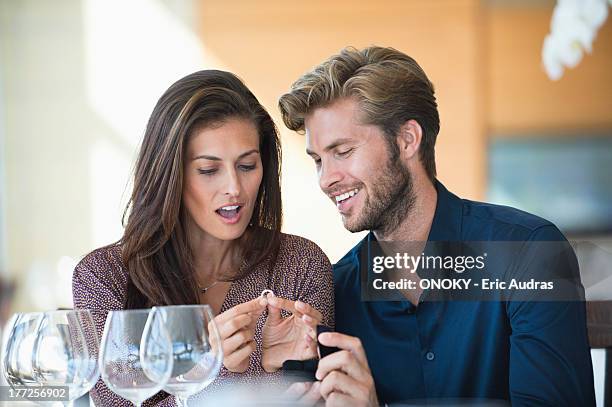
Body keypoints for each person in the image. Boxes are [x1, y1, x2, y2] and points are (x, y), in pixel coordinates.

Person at [278, 46, 596, 406]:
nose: (326, 179)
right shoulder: (334, 291)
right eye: (318, 160)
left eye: (343, 151)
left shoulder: (528, 252)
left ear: (407, 139)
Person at [72, 70, 334, 406]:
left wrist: (279, 372)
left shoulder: (301, 264)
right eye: (209, 170)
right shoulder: (104, 277)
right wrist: (212, 374)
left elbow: (314, 401)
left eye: (247, 165)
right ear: (171, 174)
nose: (234, 189)